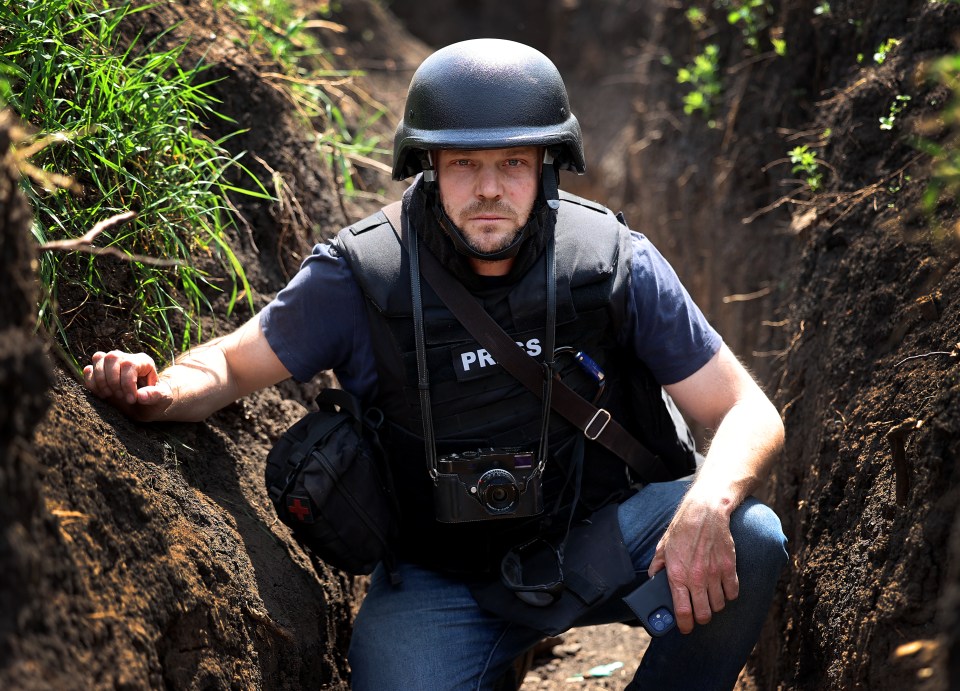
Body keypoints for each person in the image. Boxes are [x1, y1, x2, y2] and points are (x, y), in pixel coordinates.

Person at [83, 38, 788, 690]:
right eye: (464, 164)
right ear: (429, 166)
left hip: (600, 537)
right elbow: (232, 365)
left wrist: (708, 499)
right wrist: (159, 387)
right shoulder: (362, 275)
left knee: (749, 536)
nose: (489, 188)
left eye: (512, 162)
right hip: (440, 579)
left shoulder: (608, 260)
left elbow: (746, 410)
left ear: (546, 163)